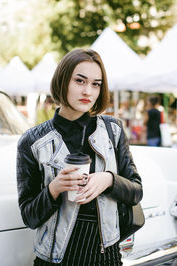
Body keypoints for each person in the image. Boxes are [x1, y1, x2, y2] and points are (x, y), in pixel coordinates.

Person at [16, 48, 143, 265]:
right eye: (80, 81)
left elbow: (136, 191)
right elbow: (29, 216)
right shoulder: (33, 141)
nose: (88, 91)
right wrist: (55, 188)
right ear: (63, 81)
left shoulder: (113, 130)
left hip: (107, 255)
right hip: (56, 258)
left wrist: (109, 180)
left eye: (96, 84)